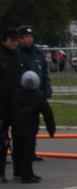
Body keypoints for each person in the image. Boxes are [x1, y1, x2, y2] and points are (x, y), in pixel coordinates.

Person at [9, 71, 55, 183]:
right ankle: (27, 175)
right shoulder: (38, 96)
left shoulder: (15, 94)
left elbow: (8, 109)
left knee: (17, 150)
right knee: (28, 152)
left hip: (16, 127)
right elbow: (47, 113)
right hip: (29, 129)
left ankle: (18, 171)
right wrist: (51, 129)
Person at [16, 25, 49, 161]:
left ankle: (31, 151)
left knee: (34, 124)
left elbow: (44, 73)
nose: (29, 39)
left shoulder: (37, 52)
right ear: (20, 39)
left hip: (37, 94)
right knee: (20, 126)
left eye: (30, 37)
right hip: (21, 95)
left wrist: (47, 90)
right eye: (26, 37)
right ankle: (19, 153)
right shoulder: (16, 53)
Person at [1, 28, 27, 182]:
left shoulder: (20, 57)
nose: (14, 43)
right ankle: (1, 172)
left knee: (21, 139)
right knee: (2, 140)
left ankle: (21, 170)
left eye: (16, 40)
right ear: (5, 40)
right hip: (2, 105)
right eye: (12, 40)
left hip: (18, 104)